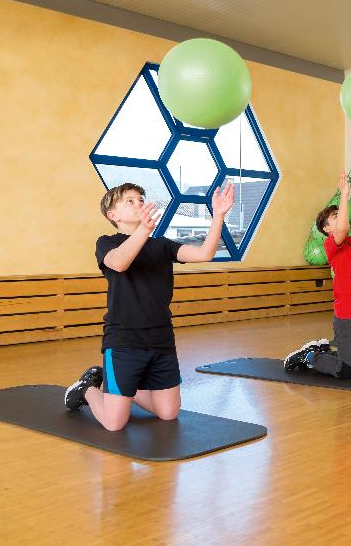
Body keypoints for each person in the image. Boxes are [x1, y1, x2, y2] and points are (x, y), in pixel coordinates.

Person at [64, 182, 234, 431]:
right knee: (114, 423)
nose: (138, 204)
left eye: (140, 200)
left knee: (168, 413)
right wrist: (143, 230)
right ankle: (87, 389)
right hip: (124, 340)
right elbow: (120, 263)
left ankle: (122, 390)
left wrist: (218, 216)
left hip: (161, 340)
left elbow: (205, 254)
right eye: (129, 201)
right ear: (113, 216)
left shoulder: (162, 246)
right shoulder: (107, 242)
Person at [283, 170, 351, 377]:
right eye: (335, 217)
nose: (342, 217)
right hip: (349, 314)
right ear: (327, 229)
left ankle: (325, 352)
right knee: (347, 370)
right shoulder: (332, 245)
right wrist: (344, 193)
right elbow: (341, 230)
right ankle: (309, 356)